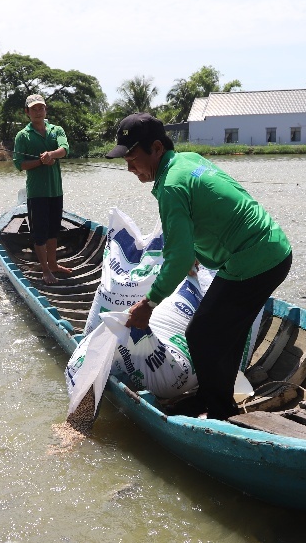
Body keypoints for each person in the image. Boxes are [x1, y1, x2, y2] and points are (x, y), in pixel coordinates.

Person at [108, 113, 292, 420]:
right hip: (270, 249)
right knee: (224, 332)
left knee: (201, 335)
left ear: (156, 149)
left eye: (132, 158)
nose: (129, 167)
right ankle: (213, 396)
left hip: (254, 258)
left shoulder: (170, 186)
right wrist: (193, 249)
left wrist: (150, 302)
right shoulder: (187, 160)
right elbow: (209, 210)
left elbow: (178, 259)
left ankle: (220, 412)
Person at [13, 94, 71, 284]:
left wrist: (51, 155)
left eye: (41, 108)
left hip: (56, 191)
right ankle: (45, 270)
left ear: (45, 110)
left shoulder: (57, 130)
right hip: (37, 193)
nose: (38, 111)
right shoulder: (23, 136)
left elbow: (64, 148)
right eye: (34, 109)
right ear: (27, 112)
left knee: (53, 231)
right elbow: (19, 164)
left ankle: (53, 264)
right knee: (40, 233)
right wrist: (40, 161)